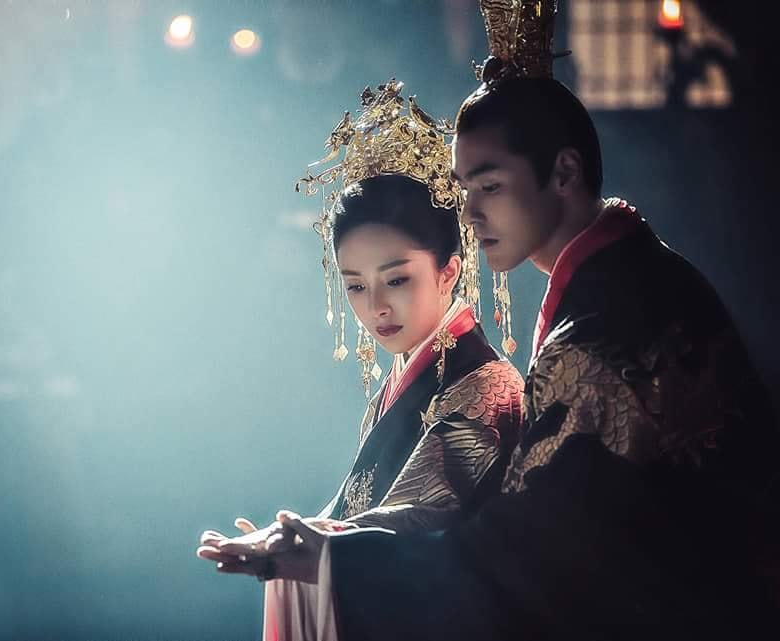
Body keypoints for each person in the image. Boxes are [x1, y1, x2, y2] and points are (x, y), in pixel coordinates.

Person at [204, 2, 780, 639]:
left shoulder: (595, 335)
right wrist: (309, 540)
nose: (471, 213)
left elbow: (522, 552)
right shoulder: (634, 275)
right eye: (465, 189)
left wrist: (329, 556)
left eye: (491, 185)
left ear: (564, 171)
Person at [197, 81, 523, 641]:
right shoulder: (399, 383)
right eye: (355, 286)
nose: (376, 307)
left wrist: (306, 545)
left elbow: (416, 514)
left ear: (448, 270)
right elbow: (356, 506)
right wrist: (290, 536)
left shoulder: (487, 385)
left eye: (396, 279)